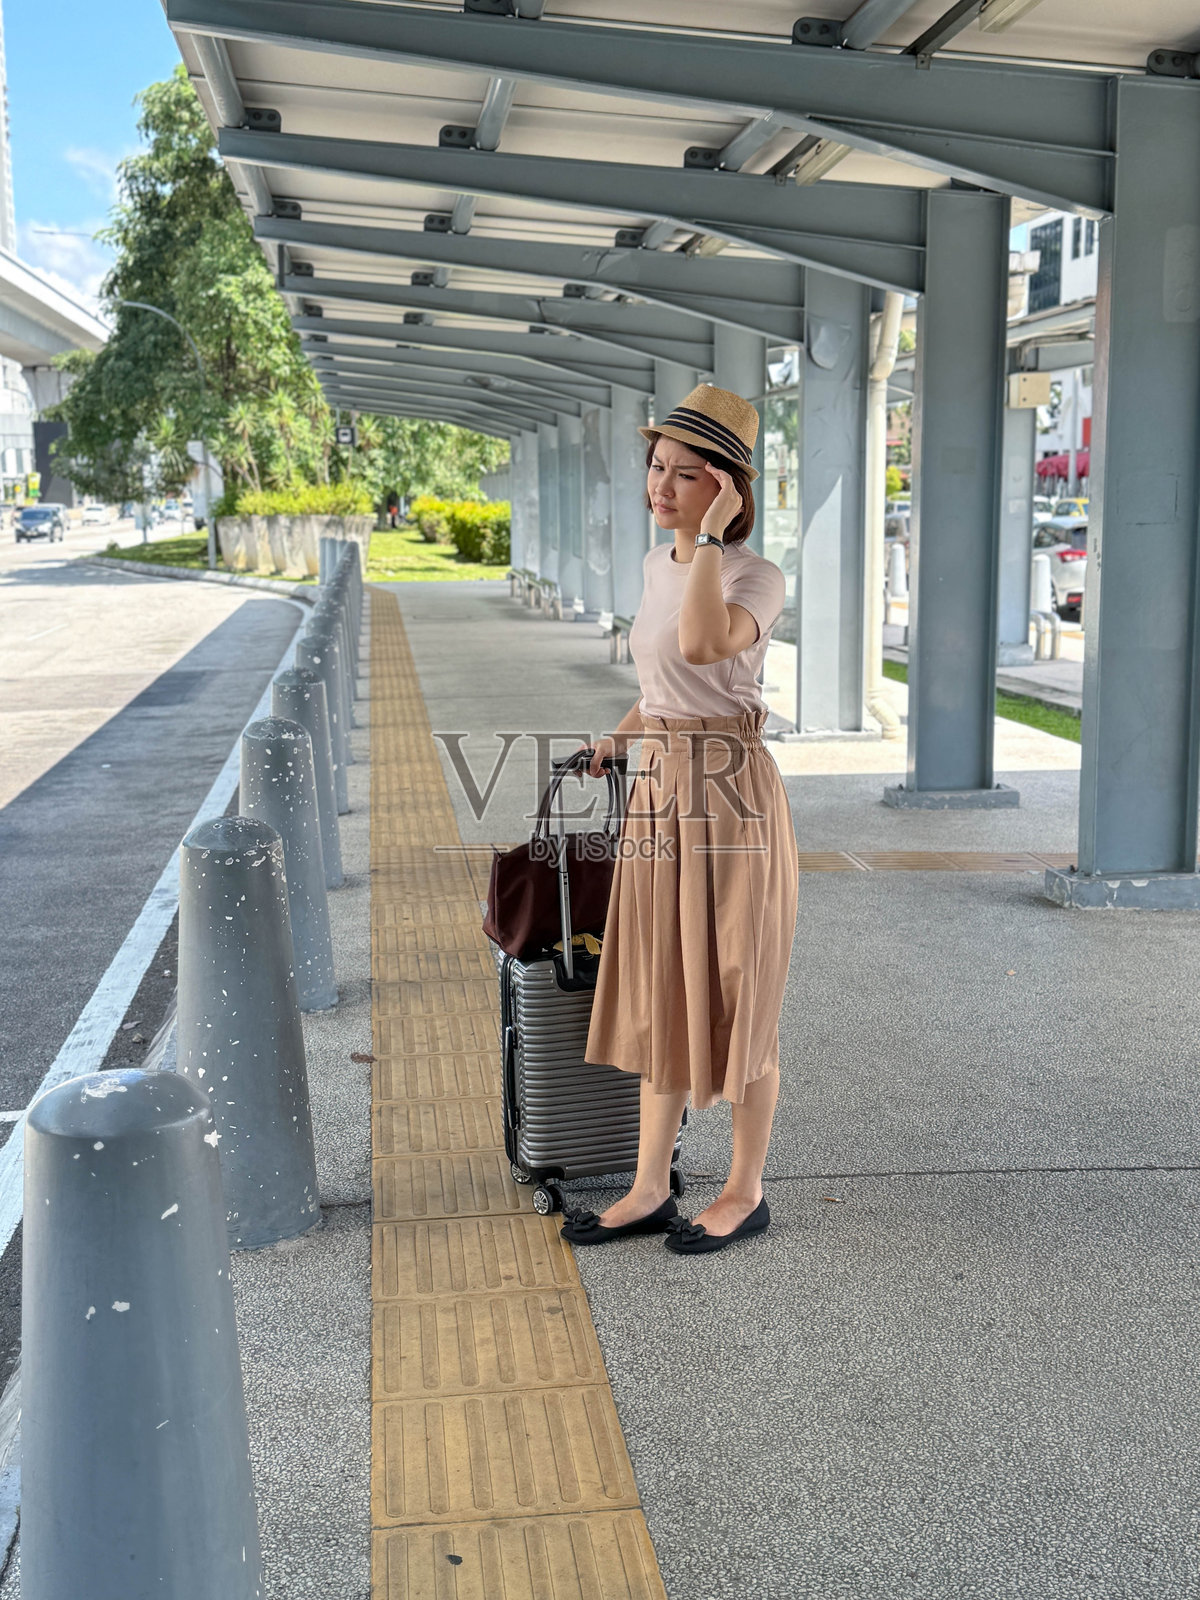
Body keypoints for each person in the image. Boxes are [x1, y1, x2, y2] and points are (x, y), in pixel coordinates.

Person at [563, 383, 799, 1257]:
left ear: (728, 489)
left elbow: (705, 647)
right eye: (656, 467)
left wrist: (707, 542)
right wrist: (615, 741)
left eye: (686, 474)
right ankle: (650, 1185)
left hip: (733, 794)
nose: (661, 486)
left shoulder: (754, 577)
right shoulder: (661, 565)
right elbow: (663, 683)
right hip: (662, 788)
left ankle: (744, 1189)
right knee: (664, 980)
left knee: (742, 988)